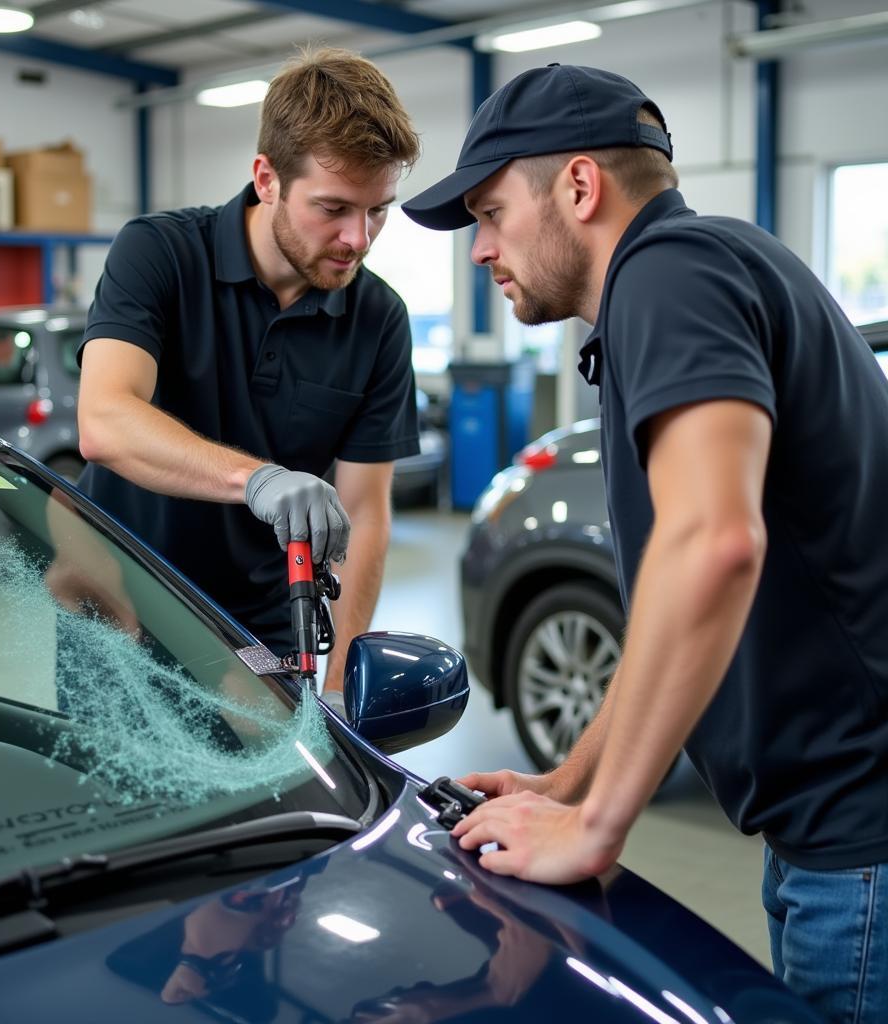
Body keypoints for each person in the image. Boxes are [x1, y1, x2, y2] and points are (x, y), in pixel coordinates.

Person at [402, 63, 888, 1024]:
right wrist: (565, 777)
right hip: (828, 841)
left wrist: (596, 825)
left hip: (861, 849)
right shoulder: (701, 272)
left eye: (492, 214)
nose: (481, 251)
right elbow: (680, 594)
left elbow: (713, 543)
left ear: (579, 188)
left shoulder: (670, 275)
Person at [74, 49, 421, 709]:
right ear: (267, 178)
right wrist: (255, 479)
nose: (360, 238)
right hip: (117, 608)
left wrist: (346, 682)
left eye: (379, 210)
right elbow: (105, 420)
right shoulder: (160, 254)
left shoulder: (377, 318)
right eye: (335, 208)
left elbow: (366, 511)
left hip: (260, 632)